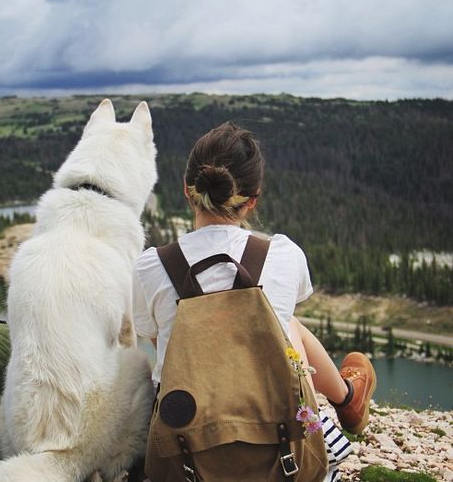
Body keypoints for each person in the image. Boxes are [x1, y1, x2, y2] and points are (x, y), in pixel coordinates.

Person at [132, 121, 376, 445]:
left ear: (186, 188)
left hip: (181, 465)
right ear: (252, 200)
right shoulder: (284, 255)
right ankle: (347, 399)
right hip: (281, 461)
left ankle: (348, 399)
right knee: (287, 324)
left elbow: (154, 337)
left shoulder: (150, 267)